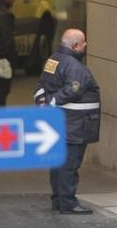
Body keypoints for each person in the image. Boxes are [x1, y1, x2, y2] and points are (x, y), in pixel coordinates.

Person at [35, 28, 100, 214]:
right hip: (75, 124)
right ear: (76, 45)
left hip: (61, 122)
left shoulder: (53, 60)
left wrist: (43, 104)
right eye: (84, 43)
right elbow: (73, 89)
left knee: (58, 163)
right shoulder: (75, 67)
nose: (86, 45)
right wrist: (53, 103)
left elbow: (41, 84)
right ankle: (68, 203)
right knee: (70, 165)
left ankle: (58, 200)